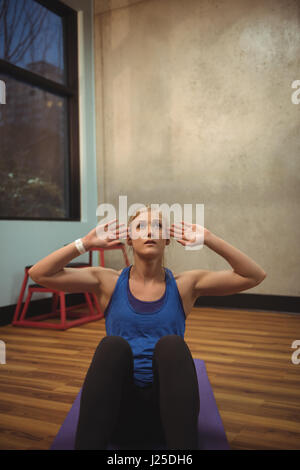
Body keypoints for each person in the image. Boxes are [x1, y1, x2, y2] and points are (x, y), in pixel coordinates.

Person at [28, 205, 267, 450]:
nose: (150, 231)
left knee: (172, 346)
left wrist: (209, 239)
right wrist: (85, 243)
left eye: (158, 226)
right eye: (141, 226)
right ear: (130, 239)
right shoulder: (107, 281)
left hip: (169, 417)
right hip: (120, 415)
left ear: (167, 239)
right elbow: (40, 274)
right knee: (112, 346)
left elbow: (253, 276)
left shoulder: (185, 285)